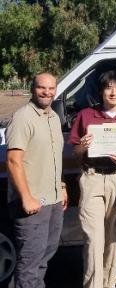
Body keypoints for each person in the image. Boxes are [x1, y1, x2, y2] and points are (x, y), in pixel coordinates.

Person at [68, 70, 116, 288]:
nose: (113, 92)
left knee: (113, 239)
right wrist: (84, 145)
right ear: (100, 91)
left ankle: (108, 284)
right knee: (93, 240)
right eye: (108, 87)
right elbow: (76, 152)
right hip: (92, 178)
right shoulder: (86, 115)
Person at [6, 73, 67, 288]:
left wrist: (61, 186)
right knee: (30, 261)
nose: (46, 92)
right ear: (32, 88)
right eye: (42, 88)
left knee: (43, 258)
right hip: (32, 203)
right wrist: (26, 197)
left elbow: (52, 157)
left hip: (53, 200)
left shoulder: (53, 117)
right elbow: (13, 161)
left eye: (51, 88)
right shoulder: (23, 118)